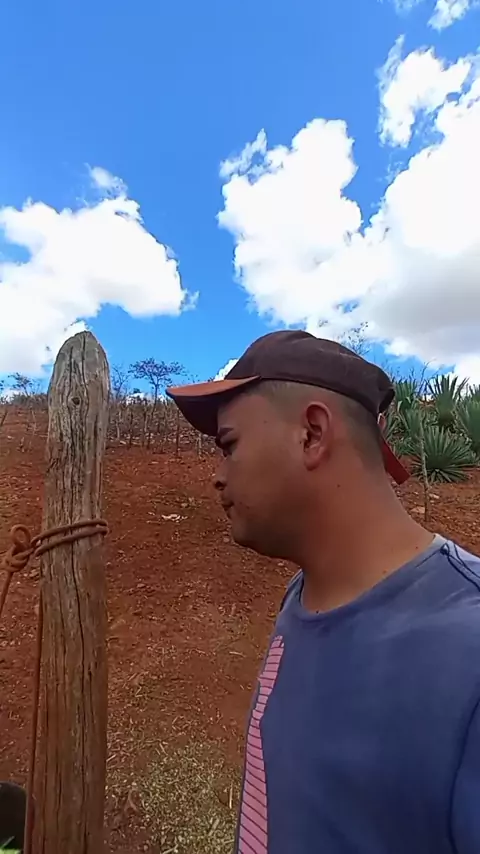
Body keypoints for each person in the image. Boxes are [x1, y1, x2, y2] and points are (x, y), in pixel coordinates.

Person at [167, 329, 480, 854]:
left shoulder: (469, 650)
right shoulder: (302, 596)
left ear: (312, 434)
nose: (217, 477)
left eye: (229, 445)